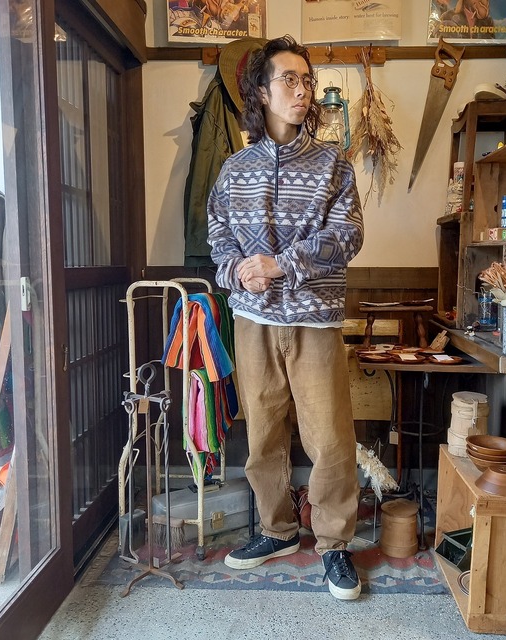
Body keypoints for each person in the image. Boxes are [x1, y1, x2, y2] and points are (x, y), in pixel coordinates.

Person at [207, 34, 364, 601]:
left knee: (330, 438)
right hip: (252, 320)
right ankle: (276, 530)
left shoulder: (333, 165)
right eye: (289, 80)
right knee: (263, 433)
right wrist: (238, 272)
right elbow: (218, 236)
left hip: (314, 319)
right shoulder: (233, 169)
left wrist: (282, 265)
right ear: (261, 91)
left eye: (307, 80)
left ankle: (334, 543)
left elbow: (347, 236)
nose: (302, 90)